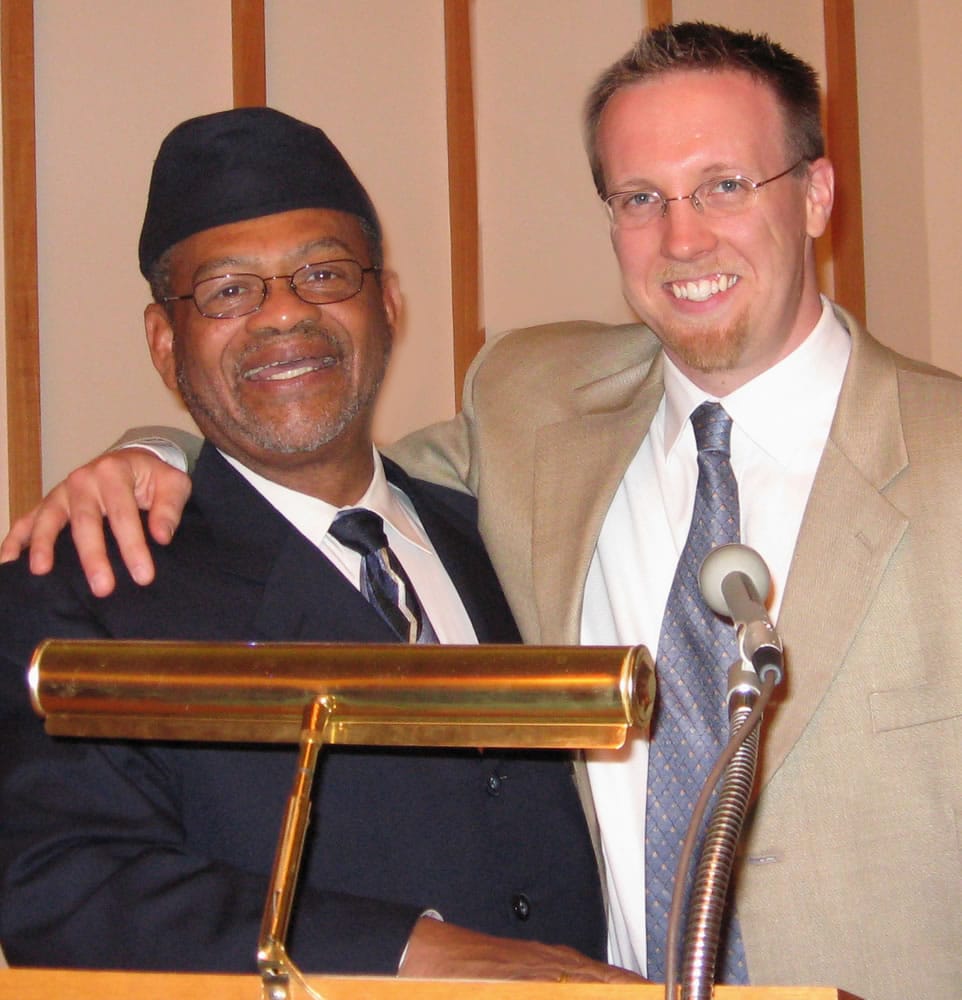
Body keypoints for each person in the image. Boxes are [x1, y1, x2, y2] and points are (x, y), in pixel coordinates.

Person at [6, 21, 962, 999]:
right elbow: (60, 879)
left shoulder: (467, 519)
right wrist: (149, 451)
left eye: (723, 185)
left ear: (813, 194)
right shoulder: (531, 424)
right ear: (165, 343)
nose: (683, 236)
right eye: (639, 198)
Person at [0, 106, 642, 984]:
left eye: (324, 273)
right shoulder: (89, 586)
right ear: (164, 343)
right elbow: (64, 890)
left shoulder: (493, 531)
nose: (284, 316)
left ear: (386, 302)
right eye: (228, 290)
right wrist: (418, 952)